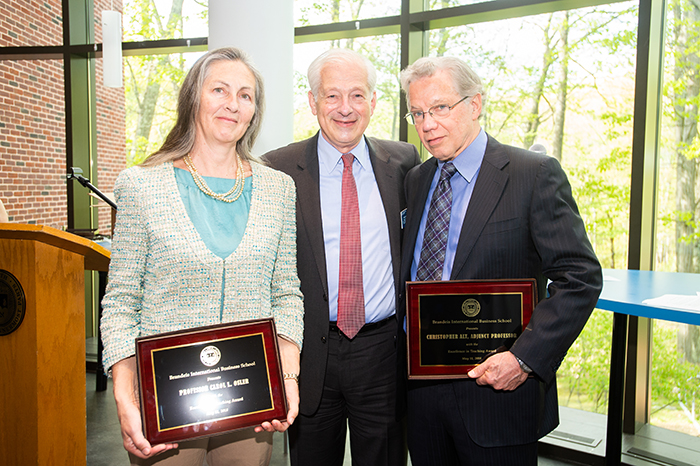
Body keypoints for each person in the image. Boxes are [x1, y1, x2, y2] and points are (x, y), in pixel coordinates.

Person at [100, 47, 304, 466]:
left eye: (246, 95)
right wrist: (124, 393)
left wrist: (288, 376)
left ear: (254, 111)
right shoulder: (141, 186)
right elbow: (120, 301)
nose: (233, 103)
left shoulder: (279, 188)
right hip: (165, 401)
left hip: (253, 397)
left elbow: (286, 293)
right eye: (220, 90)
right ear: (194, 97)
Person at [398, 56, 602, 465]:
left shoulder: (534, 174)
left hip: (498, 396)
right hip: (421, 397)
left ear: (475, 104)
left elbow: (579, 278)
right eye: (417, 113)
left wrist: (525, 358)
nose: (427, 125)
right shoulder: (417, 180)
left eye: (440, 108)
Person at [264, 48, 420, 466]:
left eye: (357, 95)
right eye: (332, 96)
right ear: (313, 102)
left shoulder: (405, 163)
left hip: (384, 352)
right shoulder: (277, 169)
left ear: (373, 101)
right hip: (310, 354)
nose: (345, 109)